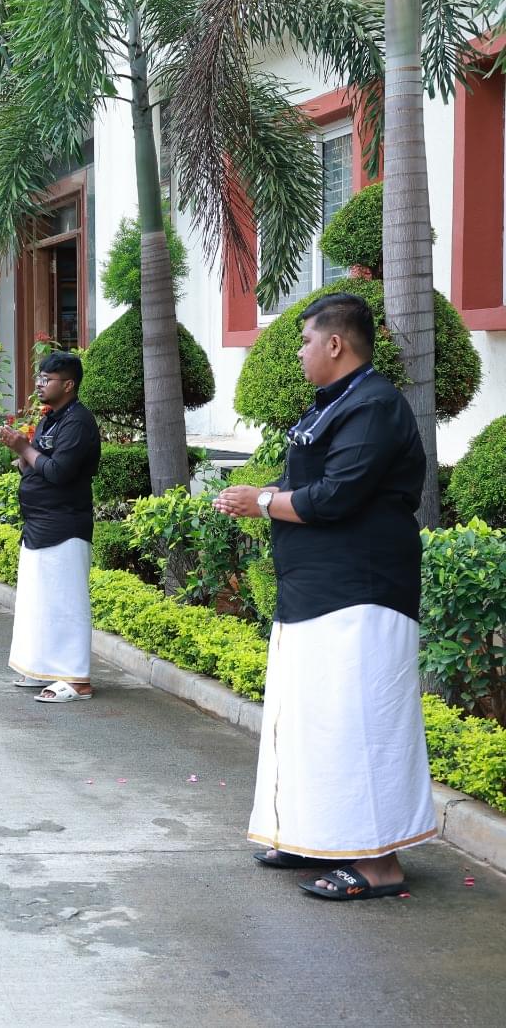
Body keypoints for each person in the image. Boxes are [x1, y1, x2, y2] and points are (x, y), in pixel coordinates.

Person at [215, 293, 436, 902]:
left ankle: (378, 863)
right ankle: (315, 837)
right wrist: (264, 494)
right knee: (308, 718)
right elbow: (306, 483)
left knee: (357, 721)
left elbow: (336, 496)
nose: (299, 352)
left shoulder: (375, 405)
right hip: (315, 590)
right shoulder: (336, 403)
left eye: (306, 340)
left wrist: (262, 501)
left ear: (335, 344)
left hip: (361, 592)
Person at [0, 353, 102, 702]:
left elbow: (58, 472)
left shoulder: (79, 422)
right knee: (39, 601)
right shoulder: (50, 419)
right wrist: (23, 453)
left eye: (48, 379)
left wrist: (24, 447)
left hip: (65, 525)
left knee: (66, 603)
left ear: (68, 384)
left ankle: (77, 680)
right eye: (40, 378)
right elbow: (36, 463)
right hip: (39, 523)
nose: (40, 384)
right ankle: (42, 666)